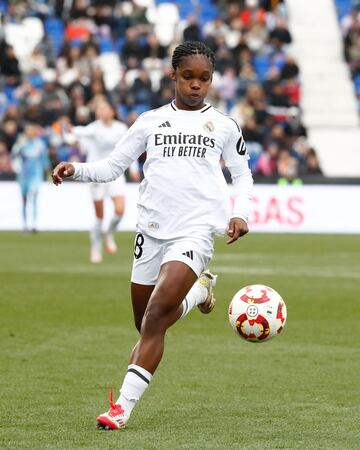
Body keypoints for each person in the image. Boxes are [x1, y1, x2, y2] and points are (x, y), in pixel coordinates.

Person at [52, 41, 253, 430]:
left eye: (204, 78)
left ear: (211, 80)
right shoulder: (150, 121)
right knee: (144, 322)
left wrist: (240, 213)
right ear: (173, 76)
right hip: (151, 230)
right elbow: (112, 167)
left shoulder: (225, 126)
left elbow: (242, 175)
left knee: (157, 316)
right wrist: (75, 169)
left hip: (194, 232)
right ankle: (199, 293)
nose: (196, 85)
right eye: (188, 77)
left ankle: (120, 408)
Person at [68, 100, 141, 263]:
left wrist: (134, 169)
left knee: (120, 210)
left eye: (104, 108)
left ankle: (108, 232)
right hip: (96, 174)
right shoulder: (94, 128)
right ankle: (95, 247)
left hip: (115, 173)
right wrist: (68, 129)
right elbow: (77, 132)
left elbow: (129, 148)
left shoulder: (121, 128)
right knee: (99, 216)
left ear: (112, 111)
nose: (101, 112)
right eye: (99, 109)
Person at [12, 123, 50, 232]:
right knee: (24, 199)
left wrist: (48, 174)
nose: (30, 133)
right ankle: (24, 225)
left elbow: (44, 159)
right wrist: (19, 145)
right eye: (28, 131)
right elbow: (14, 154)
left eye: (32, 131)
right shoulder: (21, 143)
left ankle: (34, 224)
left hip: (36, 174)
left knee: (34, 196)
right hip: (24, 174)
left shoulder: (40, 144)